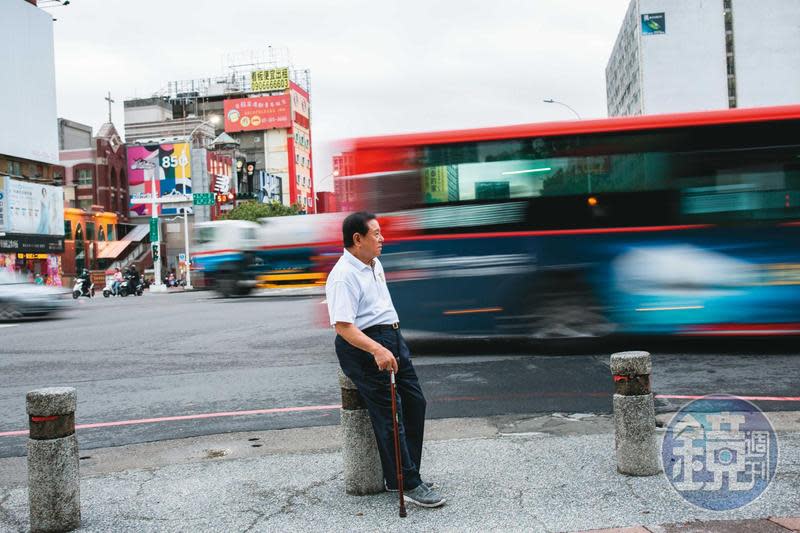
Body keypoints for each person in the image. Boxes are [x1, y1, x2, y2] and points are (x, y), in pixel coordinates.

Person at [325, 212, 445, 508]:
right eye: (376, 234)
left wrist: (391, 342)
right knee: (392, 413)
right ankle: (408, 483)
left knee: (415, 402)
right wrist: (376, 349)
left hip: (392, 338)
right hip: (364, 346)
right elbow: (343, 327)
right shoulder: (343, 276)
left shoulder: (373, 263)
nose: (382, 238)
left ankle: (402, 476)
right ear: (358, 239)